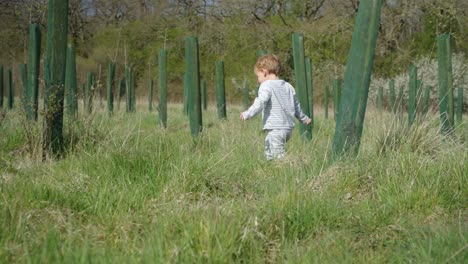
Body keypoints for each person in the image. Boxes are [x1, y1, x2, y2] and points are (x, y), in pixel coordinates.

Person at [240, 54, 312, 160]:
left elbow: (260, 102)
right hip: (288, 129)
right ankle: (271, 170)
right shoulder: (288, 86)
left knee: (278, 157)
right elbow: (296, 105)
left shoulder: (266, 85)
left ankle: (288, 170)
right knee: (269, 151)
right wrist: (304, 118)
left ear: (264, 71)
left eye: (258, 76)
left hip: (276, 128)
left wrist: (248, 113)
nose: (258, 80)